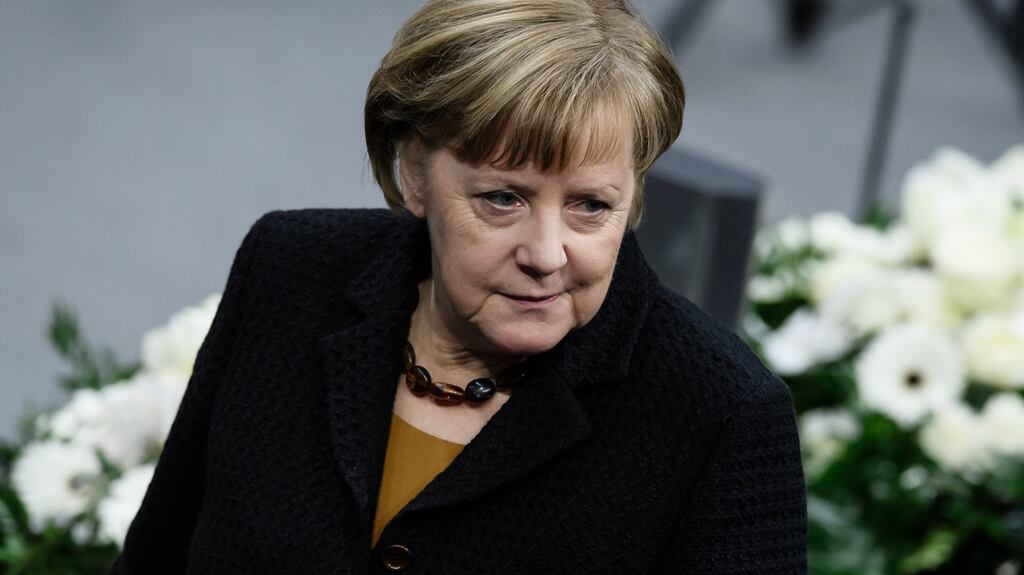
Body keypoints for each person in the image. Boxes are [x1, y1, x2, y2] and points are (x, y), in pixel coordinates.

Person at [111, 0, 807, 573]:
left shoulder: (721, 415)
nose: (545, 254)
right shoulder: (290, 269)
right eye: (503, 198)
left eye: (590, 206)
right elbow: (158, 552)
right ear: (414, 174)